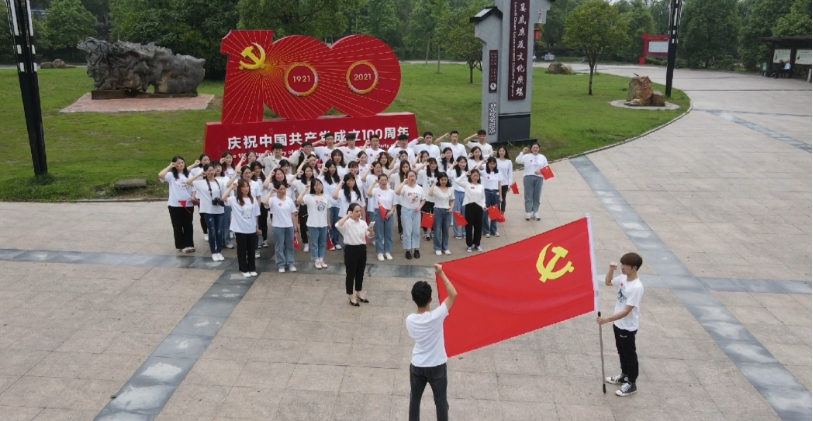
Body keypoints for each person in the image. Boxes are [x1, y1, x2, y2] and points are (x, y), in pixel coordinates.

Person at [406, 264, 458, 421]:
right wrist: (441, 273)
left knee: (414, 401)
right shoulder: (437, 315)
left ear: (414, 299)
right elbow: (453, 294)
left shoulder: (410, 320)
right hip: (437, 365)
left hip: (418, 365)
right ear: (430, 298)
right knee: (441, 402)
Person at [598, 253, 645, 397]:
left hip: (627, 326)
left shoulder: (636, 287)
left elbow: (626, 311)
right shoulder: (624, 278)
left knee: (629, 354)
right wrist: (611, 270)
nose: (622, 267)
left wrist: (607, 319)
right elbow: (608, 282)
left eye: (626, 265)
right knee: (621, 351)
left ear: (634, 268)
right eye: (622, 264)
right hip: (618, 324)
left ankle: (631, 383)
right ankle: (624, 375)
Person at [336, 203, 375, 306]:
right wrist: (347, 216)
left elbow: (369, 235)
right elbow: (338, 225)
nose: (359, 213)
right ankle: (351, 294)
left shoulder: (363, 223)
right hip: (351, 249)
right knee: (350, 273)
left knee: (360, 271)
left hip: (361, 248)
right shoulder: (347, 223)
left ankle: (359, 291)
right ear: (351, 212)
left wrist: (371, 231)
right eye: (356, 211)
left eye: (359, 211)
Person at [222, 179, 261, 278]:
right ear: (239, 188)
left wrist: (257, 227)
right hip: (240, 229)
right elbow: (223, 198)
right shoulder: (234, 199)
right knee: (242, 250)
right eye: (243, 187)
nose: (245, 189)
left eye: (247, 186)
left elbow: (256, 214)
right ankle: (243, 268)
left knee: (251, 249)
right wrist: (231, 187)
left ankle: (252, 268)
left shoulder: (253, 199)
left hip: (251, 228)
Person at [187, 164, 226, 261]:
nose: (211, 172)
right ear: (205, 172)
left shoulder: (220, 182)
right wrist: (199, 175)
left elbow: (224, 195)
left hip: (219, 210)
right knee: (212, 231)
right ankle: (214, 252)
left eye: (212, 170)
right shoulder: (201, 183)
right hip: (208, 210)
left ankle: (219, 251)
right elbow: (188, 182)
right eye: (208, 170)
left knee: (219, 231)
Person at [159, 156, 196, 253]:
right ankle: (181, 245)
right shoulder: (171, 175)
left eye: (182, 162)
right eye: (178, 163)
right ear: (174, 164)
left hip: (188, 204)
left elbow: (194, 188)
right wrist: (170, 166)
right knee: (178, 226)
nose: (181, 165)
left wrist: (193, 196)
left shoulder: (189, 174)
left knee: (188, 225)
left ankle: (189, 244)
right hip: (175, 205)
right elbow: (161, 175)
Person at [297, 179, 331, 269]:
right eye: (316, 185)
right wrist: (305, 190)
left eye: (320, 184)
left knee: (323, 243)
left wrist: (329, 222)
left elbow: (328, 210)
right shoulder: (309, 197)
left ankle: (321, 259)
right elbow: (299, 200)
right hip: (312, 224)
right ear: (312, 187)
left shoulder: (326, 197)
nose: (318, 187)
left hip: (323, 224)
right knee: (314, 243)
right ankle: (316, 260)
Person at [267, 185, 298, 273]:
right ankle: (281, 264)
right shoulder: (273, 200)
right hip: (278, 226)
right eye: (280, 189)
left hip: (289, 226)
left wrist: (295, 225)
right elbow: (265, 203)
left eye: (284, 189)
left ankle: (290, 263)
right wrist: (270, 192)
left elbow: (293, 213)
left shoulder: (289, 200)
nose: (283, 190)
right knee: (279, 246)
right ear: (277, 190)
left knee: (290, 246)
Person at [396, 170, 426, 260]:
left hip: (416, 211)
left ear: (416, 177)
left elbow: (424, 199)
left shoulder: (419, 188)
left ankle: (416, 249)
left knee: (416, 231)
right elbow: (397, 192)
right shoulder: (404, 187)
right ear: (407, 177)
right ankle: (408, 250)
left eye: (413, 176)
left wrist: (420, 207)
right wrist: (403, 183)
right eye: (410, 176)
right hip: (406, 211)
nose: (412, 178)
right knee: (407, 231)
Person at [456, 168, 486, 252]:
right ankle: (469, 245)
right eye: (473, 176)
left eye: (477, 176)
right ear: (470, 176)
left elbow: (483, 198)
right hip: (469, 207)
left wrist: (483, 206)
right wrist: (465, 174)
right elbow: (457, 181)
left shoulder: (481, 186)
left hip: (479, 208)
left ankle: (477, 244)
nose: (475, 177)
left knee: (478, 227)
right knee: (469, 227)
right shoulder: (467, 184)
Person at [515, 143, 548, 221]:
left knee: (537, 195)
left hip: (539, 178)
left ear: (539, 149)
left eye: (537, 148)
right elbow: (517, 160)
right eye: (534, 148)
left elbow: (546, 167)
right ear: (531, 149)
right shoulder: (527, 156)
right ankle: (528, 211)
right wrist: (522, 152)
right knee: (528, 195)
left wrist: (540, 172)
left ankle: (535, 211)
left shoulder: (542, 157)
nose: (535, 149)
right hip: (528, 177)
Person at [368, 173, 397, 261]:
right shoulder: (376, 190)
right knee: (379, 233)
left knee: (388, 233)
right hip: (378, 212)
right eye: (381, 180)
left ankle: (388, 251)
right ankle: (379, 252)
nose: (384, 182)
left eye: (385, 180)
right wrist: (373, 183)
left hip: (389, 213)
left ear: (387, 181)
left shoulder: (391, 192)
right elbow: (368, 193)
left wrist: (391, 212)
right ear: (379, 181)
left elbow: (394, 205)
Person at [429, 172, 454, 256]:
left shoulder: (451, 188)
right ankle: (437, 248)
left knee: (446, 230)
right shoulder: (436, 188)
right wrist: (434, 183)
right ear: (439, 180)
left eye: (445, 179)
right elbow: (430, 194)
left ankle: (445, 248)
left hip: (447, 211)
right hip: (438, 210)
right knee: (437, 230)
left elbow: (453, 199)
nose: (444, 181)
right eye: (442, 180)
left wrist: (451, 207)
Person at [321, 161, 343, 250]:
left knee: (336, 224)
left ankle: (336, 242)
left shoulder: (338, 178)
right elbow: (316, 180)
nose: (332, 169)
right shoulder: (323, 178)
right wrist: (322, 171)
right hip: (328, 204)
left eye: (334, 167)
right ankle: (329, 242)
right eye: (330, 167)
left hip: (337, 204)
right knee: (329, 224)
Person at [482, 157, 502, 237]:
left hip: (495, 192)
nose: (492, 165)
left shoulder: (498, 172)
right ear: (488, 164)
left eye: (494, 164)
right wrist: (482, 161)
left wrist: (500, 196)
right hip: (486, 192)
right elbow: (475, 169)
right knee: (485, 212)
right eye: (490, 164)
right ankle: (486, 231)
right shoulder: (484, 172)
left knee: (494, 212)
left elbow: (499, 185)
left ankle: (494, 230)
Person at [450, 156, 468, 240]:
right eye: (461, 162)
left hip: (466, 194)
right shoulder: (454, 171)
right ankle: (457, 233)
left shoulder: (468, 172)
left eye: (464, 162)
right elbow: (448, 174)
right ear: (458, 163)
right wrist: (453, 165)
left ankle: (464, 232)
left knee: (465, 213)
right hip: (456, 193)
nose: (463, 164)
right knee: (457, 213)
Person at [496, 146, 513, 214]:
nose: (501, 152)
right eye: (500, 151)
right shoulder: (495, 160)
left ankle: (502, 213)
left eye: (503, 151)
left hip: (505, 183)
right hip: (496, 183)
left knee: (503, 198)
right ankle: (496, 213)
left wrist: (509, 185)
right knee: (496, 198)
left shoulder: (509, 162)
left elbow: (510, 174)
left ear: (505, 152)